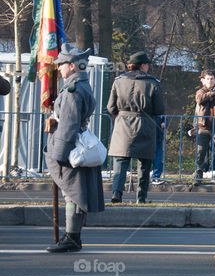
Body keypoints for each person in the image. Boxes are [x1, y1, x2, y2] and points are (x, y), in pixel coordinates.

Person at [45, 44, 105, 253]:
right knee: (75, 193)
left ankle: (72, 237)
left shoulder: (73, 90)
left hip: (70, 146)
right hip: (77, 143)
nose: (59, 68)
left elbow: (69, 124)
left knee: (72, 194)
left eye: (62, 64)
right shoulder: (79, 86)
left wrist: (59, 154)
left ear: (72, 66)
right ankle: (73, 236)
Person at [107, 51, 164, 204]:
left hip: (123, 125)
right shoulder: (153, 83)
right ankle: (141, 197)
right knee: (144, 164)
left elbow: (111, 107)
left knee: (120, 162)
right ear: (144, 65)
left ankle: (116, 193)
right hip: (145, 124)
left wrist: (121, 115)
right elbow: (159, 109)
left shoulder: (118, 81)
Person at [193, 70, 215, 183]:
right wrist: (213, 93)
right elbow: (200, 99)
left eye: (212, 78)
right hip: (203, 127)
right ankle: (198, 176)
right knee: (201, 153)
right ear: (203, 80)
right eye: (208, 79)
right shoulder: (201, 91)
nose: (210, 81)